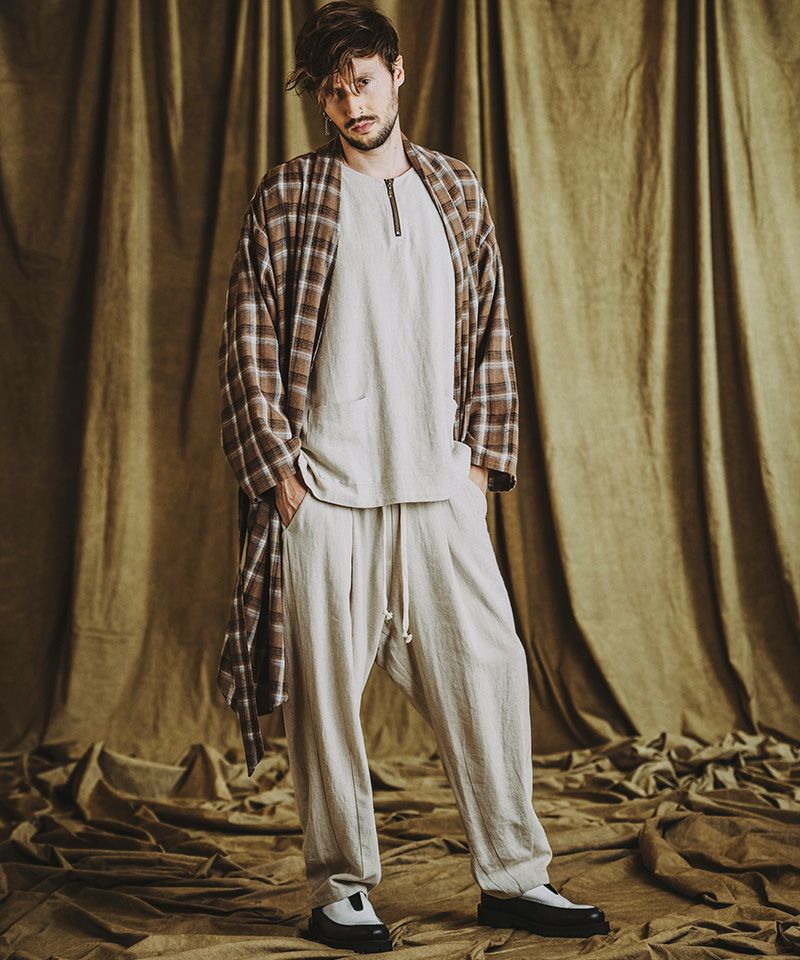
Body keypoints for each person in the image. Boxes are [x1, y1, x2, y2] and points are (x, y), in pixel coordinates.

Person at [218, 1, 610, 952]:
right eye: (331, 90)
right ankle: (339, 888)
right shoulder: (289, 195)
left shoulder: (456, 188)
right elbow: (248, 343)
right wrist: (282, 482)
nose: (351, 102)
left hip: (439, 487)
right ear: (319, 100)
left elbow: (492, 334)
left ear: (396, 72)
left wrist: (478, 468)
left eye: (362, 80)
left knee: (490, 671)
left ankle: (515, 877)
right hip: (326, 492)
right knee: (325, 701)